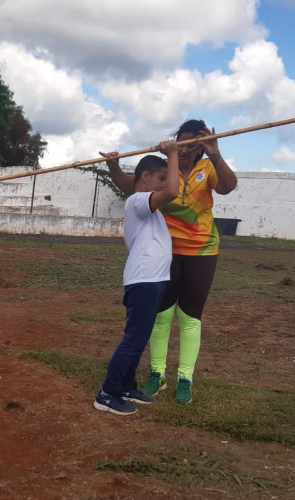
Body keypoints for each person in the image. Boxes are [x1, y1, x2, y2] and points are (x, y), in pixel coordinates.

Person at [101, 119, 237, 404]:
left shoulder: (207, 167)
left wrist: (215, 154)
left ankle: (185, 377)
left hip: (202, 250)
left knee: (190, 317)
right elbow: (134, 185)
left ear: (199, 145)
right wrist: (115, 167)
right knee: (160, 317)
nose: (184, 149)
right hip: (165, 255)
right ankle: (156, 374)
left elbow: (228, 186)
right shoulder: (164, 166)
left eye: (191, 144)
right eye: (181, 142)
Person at [94, 141, 179, 416]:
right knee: (133, 339)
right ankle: (107, 393)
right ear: (145, 177)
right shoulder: (139, 201)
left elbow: (164, 187)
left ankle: (126, 386)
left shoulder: (142, 203)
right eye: (160, 178)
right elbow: (173, 191)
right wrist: (174, 154)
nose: (164, 183)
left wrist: (113, 166)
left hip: (151, 279)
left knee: (139, 338)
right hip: (144, 280)